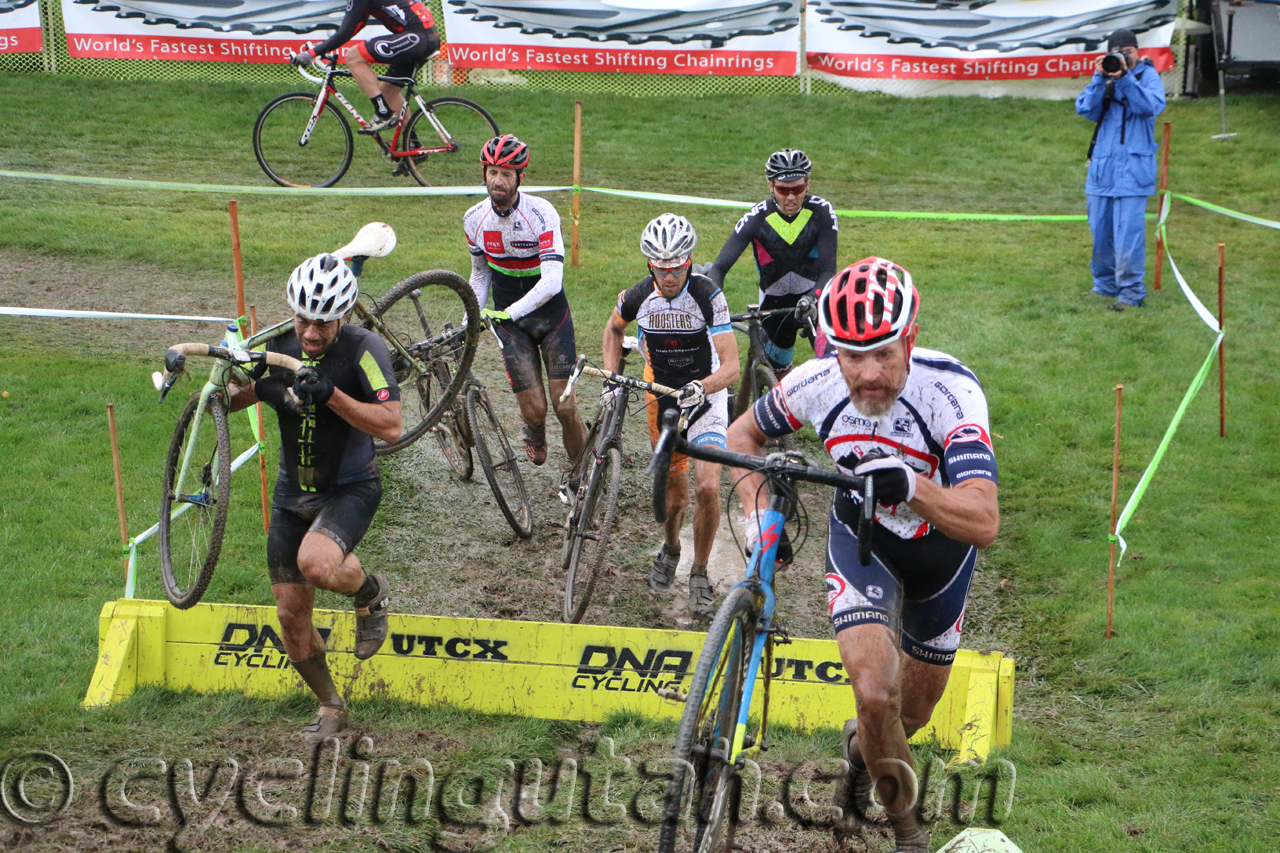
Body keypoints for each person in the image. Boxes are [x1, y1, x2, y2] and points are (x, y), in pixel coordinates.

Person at [725, 258, 999, 852]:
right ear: (833, 351)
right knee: (876, 693)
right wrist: (758, 513)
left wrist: (915, 485)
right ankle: (910, 837)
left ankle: (860, 753)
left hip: (939, 556)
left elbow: (983, 521)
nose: (869, 374)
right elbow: (742, 438)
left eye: (883, 354)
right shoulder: (816, 382)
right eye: (853, 356)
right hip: (862, 542)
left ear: (911, 339)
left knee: (907, 718)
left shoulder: (950, 392)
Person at [227, 253, 402, 740]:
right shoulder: (278, 343)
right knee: (289, 613)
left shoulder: (366, 349)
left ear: (342, 316)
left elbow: (391, 426)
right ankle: (330, 704)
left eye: (323, 323)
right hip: (291, 494)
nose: (310, 332)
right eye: (304, 318)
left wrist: (331, 395)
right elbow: (232, 397)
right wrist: (234, 384)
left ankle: (369, 592)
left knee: (318, 565)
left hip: (351, 487)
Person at [603, 213, 739, 616]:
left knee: (708, 488)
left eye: (677, 268)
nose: (669, 277)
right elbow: (613, 330)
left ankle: (699, 570)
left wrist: (704, 387)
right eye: (661, 269)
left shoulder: (708, 294)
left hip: (706, 396)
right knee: (675, 497)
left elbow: (731, 365)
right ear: (650, 265)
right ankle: (672, 546)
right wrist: (612, 379)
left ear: (690, 259)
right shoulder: (637, 297)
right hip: (662, 396)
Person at [463, 134, 587, 469]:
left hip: (551, 318)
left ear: (522, 177)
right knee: (535, 410)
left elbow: (551, 282)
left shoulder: (542, 212)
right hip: (510, 325)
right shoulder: (474, 218)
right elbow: (479, 275)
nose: (497, 181)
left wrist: (506, 313)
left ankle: (583, 475)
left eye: (506, 173)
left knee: (565, 407)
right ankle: (534, 428)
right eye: (492, 172)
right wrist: (471, 316)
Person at [703, 148, 838, 376]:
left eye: (798, 189)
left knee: (835, 365)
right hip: (774, 307)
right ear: (770, 186)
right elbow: (719, 268)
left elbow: (827, 270)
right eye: (783, 190)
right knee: (779, 380)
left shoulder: (822, 212)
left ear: (808, 183)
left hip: (815, 300)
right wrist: (715, 302)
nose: (791, 197)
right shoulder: (756, 218)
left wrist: (812, 299)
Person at [1075, 27, 1166, 312]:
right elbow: (1086, 109)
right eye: (1118, 53)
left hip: (1134, 170)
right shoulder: (1104, 75)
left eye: (1129, 52)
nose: (1123, 58)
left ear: (1138, 52)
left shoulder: (1148, 76)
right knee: (1100, 232)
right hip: (1103, 168)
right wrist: (1100, 79)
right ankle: (1104, 286)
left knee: (1129, 234)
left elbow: (1150, 107)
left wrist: (1125, 79)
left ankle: (1131, 292)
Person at [290, 0, 440, 135]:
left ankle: (383, 113)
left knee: (353, 57)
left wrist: (312, 53)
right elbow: (354, 27)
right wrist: (321, 48)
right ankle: (412, 148)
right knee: (388, 92)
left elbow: (344, 33)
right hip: (424, 38)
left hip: (417, 38)